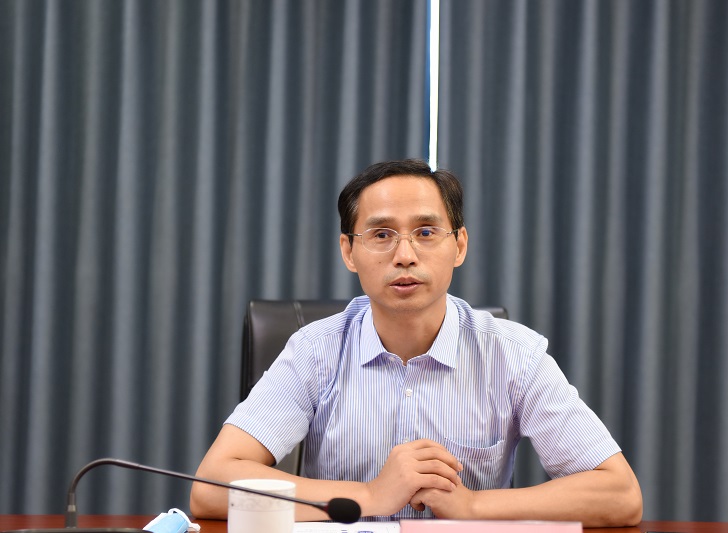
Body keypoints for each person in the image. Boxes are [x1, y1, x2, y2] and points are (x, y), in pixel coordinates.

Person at [190, 159, 643, 526]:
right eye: (381, 235)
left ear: (459, 245)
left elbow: (620, 495)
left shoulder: (514, 355)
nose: (405, 255)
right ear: (349, 251)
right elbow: (211, 489)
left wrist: (473, 506)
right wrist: (371, 495)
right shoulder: (314, 351)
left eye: (425, 232)